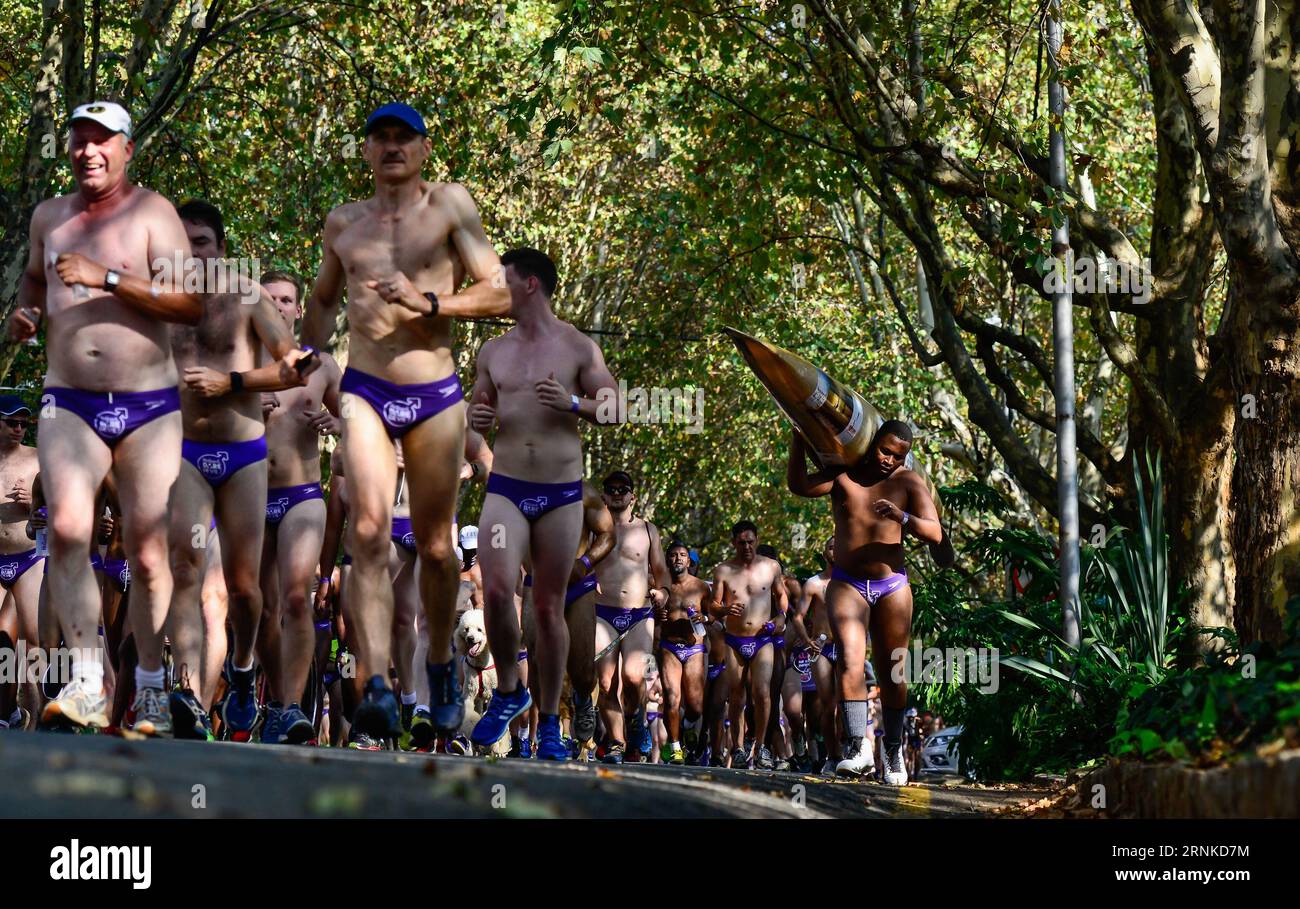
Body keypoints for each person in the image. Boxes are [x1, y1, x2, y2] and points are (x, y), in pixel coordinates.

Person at [300, 102, 511, 747]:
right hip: (364, 388)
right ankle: (375, 686)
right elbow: (322, 301)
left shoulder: (450, 206)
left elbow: (499, 290)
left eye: (403, 137)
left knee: (438, 547)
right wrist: (307, 360)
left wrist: (429, 302)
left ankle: (442, 663)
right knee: (366, 531)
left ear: (423, 149)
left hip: (434, 394)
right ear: (365, 151)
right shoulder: (344, 222)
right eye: (379, 137)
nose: (391, 146)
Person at [9, 101, 206, 735]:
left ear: (126, 149)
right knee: (67, 530)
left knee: (148, 555)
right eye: (79, 140)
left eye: (101, 141)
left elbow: (190, 302)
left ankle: (149, 681)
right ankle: (89, 679)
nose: (87, 151)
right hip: (69, 400)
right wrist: (26, 316)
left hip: (148, 405)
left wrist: (109, 276)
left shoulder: (155, 214)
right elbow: (35, 284)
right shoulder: (49, 217)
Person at [165, 200, 316, 741]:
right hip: (183, 454)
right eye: (181, 241)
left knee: (247, 590)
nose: (190, 251)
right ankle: (185, 690)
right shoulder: (161, 299)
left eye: (200, 242)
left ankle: (245, 668)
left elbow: (293, 366)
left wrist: (231, 383)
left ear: (220, 248)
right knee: (186, 569)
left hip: (243, 457)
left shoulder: (247, 297)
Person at [467, 248, 618, 760]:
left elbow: (616, 407)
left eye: (504, 282)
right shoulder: (493, 350)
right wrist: (476, 422)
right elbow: (476, 411)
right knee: (496, 589)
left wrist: (575, 403)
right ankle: (510, 690)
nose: (496, 291)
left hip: (559, 493)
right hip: (506, 486)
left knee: (550, 607)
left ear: (531, 285)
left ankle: (551, 721)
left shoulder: (577, 345)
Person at [787, 419, 943, 783]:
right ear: (873, 442)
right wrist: (798, 439)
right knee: (850, 661)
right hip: (846, 583)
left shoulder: (907, 481)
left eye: (898, 455)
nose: (889, 459)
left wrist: (901, 516)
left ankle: (892, 752)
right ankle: (857, 747)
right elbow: (799, 485)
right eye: (885, 450)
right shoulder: (844, 474)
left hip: (892, 586)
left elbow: (935, 532)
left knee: (892, 672)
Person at [244, 269, 342, 744]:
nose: (278, 307)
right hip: (248, 494)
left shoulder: (322, 365)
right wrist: (238, 408)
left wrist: (335, 422)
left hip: (303, 494)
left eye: (286, 300)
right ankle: (266, 693)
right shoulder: (240, 363)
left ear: (299, 309)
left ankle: (289, 706)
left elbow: (357, 424)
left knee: (297, 598)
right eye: (269, 299)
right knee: (258, 608)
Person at [591, 470, 671, 763]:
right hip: (601, 612)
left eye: (622, 489)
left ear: (632, 496)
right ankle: (615, 742)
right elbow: (578, 564)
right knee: (606, 682)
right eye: (610, 489)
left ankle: (635, 716)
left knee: (633, 676)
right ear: (603, 496)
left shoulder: (648, 530)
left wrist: (662, 592)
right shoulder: (593, 530)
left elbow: (662, 574)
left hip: (639, 613)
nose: (616, 493)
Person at [711, 520, 787, 770]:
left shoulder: (771, 567)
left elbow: (781, 596)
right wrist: (724, 609)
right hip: (734, 639)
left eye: (750, 542)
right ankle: (738, 748)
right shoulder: (723, 570)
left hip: (762, 638)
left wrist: (780, 618)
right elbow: (713, 606)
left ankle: (763, 746)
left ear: (757, 540)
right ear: (733, 543)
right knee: (736, 694)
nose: (746, 547)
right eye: (741, 542)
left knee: (762, 693)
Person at [0, 396, 41, 731]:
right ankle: (8, 712)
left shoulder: (38, 460)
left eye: (23, 423)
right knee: (2, 640)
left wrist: (33, 504)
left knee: (32, 642)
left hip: (30, 559)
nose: (18, 428)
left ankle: (39, 714)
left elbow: (64, 514)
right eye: (11, 422)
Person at [654, 540, 711, 764]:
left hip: (694, 647)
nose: (678, 558)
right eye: (673, 554)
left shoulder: (701, 586)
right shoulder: (660, 584)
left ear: (689, 560)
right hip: (669, 647)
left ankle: (687, 726)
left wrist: (704, 618)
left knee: (695, 706)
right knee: (672, 698)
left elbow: (713, 616)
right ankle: (675, 747)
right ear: (667, 559)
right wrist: (657, 616)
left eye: (682, 555)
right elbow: (647, 612)